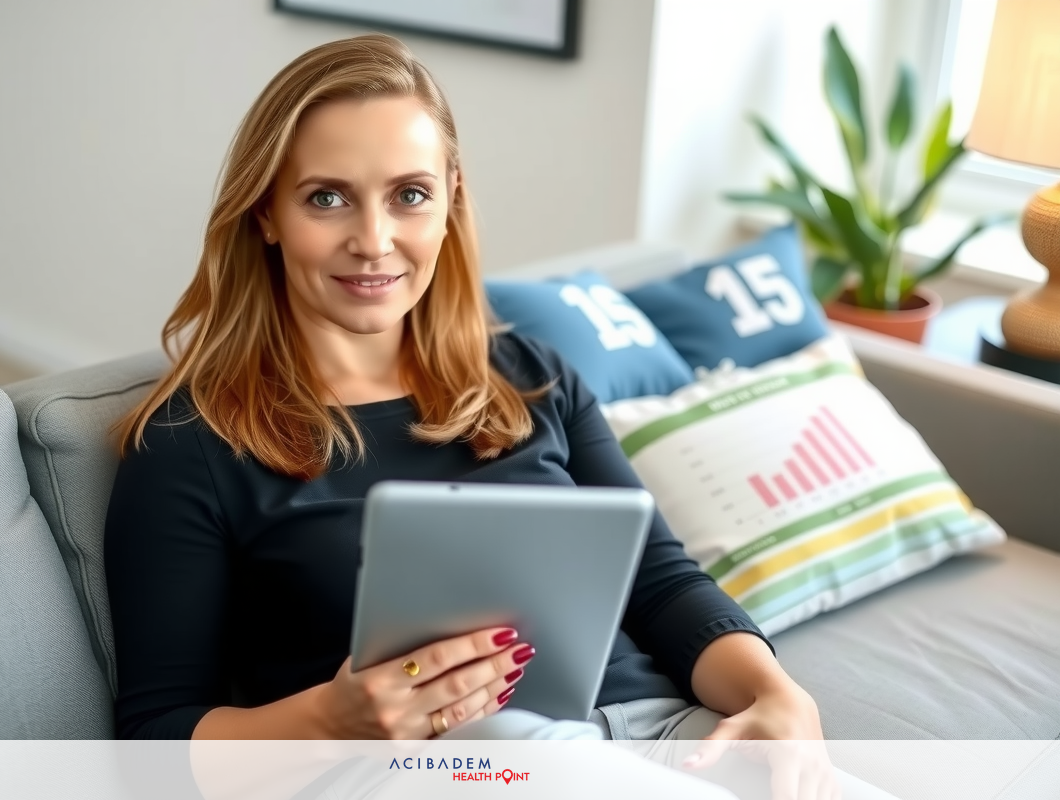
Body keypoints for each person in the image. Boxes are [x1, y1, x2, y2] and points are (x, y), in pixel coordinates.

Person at [104, 32, 896, 800]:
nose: (374, 240)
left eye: (409, 195)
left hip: (656, 734)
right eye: (327, 198)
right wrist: (331, 723)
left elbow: (658, 583)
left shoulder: (530, 376)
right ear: (266, 213)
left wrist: (774, 691)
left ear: (450, 198)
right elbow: (154, 743)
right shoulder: (190, 443)